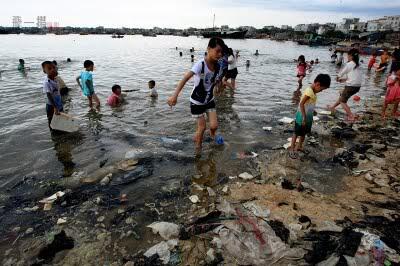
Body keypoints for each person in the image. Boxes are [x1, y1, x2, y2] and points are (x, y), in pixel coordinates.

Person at [167, 37, 225, 153]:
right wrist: (175, 96)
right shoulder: (200, 65)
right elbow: (185, 79)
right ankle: (198, 149)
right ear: (209, 49)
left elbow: (216, 81)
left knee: (214, 126)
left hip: (209, 100)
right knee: (202, 127)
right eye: (217, 51)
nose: (219, 54)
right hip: (197, 102)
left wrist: (219, 86)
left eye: (221, 52)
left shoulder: (218, 66)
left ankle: (212, 137)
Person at [289, 74, 331, 159]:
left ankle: (299, 146)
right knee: (297, 133)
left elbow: (309, 104)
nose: (322, 91)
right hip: (302, 117)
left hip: (307, 116)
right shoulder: (309, 92)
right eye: (322, 89)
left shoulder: (313, 91)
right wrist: (304, 117)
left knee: (303, 133)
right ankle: (292, 149)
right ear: (318, 84)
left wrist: (313, 111)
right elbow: (301, 104)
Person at [328, 48, 362, 122]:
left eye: (348, 56)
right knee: (342, 97)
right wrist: (342, 80)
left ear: (351, 56)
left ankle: (351, 116)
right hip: (357, 86)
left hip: (351, 86)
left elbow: (342, 72)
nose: (347, 57)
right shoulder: (358, 65)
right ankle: (333, 107)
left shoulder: (349, 64)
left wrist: (337, 77)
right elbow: (353, 77)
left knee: (343, 101)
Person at [42, 61, 63, 129]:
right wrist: (55, 107)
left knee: (60, 117)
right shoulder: (46, 82)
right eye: (49, 68)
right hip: (51, 106)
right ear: (44, 71)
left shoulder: (55, 79)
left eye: (54, 67)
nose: (52, 69)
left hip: (58, 102)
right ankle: (53, 134)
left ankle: (60, 130)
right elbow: (49, 96)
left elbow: (57, 92)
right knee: (51, 121)